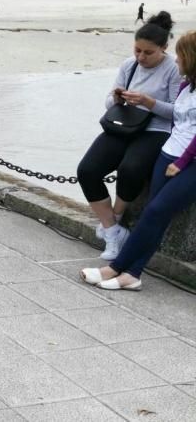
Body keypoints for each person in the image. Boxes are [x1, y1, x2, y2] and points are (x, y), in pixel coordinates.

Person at [81, 31, 196, 291]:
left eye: (181, 56)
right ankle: (133, 273)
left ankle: (115, 267)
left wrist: (182, 161)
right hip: (169, 152)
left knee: (156, 211)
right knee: (153, 217)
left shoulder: (177, 77)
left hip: (187, 161)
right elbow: (180, 123)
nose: (176, 60)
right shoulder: (187, 85)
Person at [76, 13, 181, 260]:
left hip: (156, 129)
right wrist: (116, 97)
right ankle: (113, 231)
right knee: (87, 170)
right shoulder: (128, 64)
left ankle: (115, 218)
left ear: (163, 49)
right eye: (137, 50)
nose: (141, 57)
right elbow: (108, 103)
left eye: (148, 53)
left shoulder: (174, 69)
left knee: (131, 169)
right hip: (123, 124)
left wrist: (149, 102)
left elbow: (178, 111)